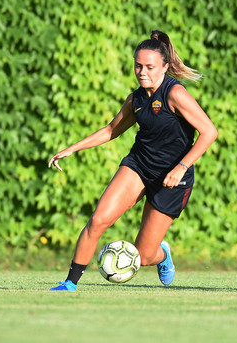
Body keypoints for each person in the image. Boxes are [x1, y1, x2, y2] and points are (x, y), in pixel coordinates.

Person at [48, 30, 218, 291]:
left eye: (149, 67)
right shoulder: (136, 99)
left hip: (173, 179)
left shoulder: (175, 94)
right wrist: (73, 148)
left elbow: (209, 132)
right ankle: (70, 283)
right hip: (138, 165)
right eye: (138, 66)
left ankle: (162, 254)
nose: (142, 72)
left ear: (164, 67)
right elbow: (110, 130)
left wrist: (181, 167)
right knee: (98, 220)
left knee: (144, 256)